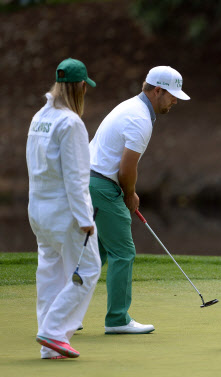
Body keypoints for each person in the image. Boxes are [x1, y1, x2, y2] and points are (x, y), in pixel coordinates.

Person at [89, 66, 190, 334]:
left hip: (89, 180)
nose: (175, 101)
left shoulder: (132, 107)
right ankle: (118, 320)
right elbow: (126, 169)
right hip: (101, 185)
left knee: (94, 255)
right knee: (123, 253)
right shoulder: (139, 119)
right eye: (172, 95)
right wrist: (130, 194)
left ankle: (67, 315)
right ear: (157, 91)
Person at [27, 58, 101, 359]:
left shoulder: (39, 117)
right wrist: (86, 218)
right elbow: (76, 176)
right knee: (89, 269)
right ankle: (54, 331)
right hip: (65, 212)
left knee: (51, 274)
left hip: (39, 210)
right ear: (81, 86)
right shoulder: (71, 123)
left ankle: (50, 347)